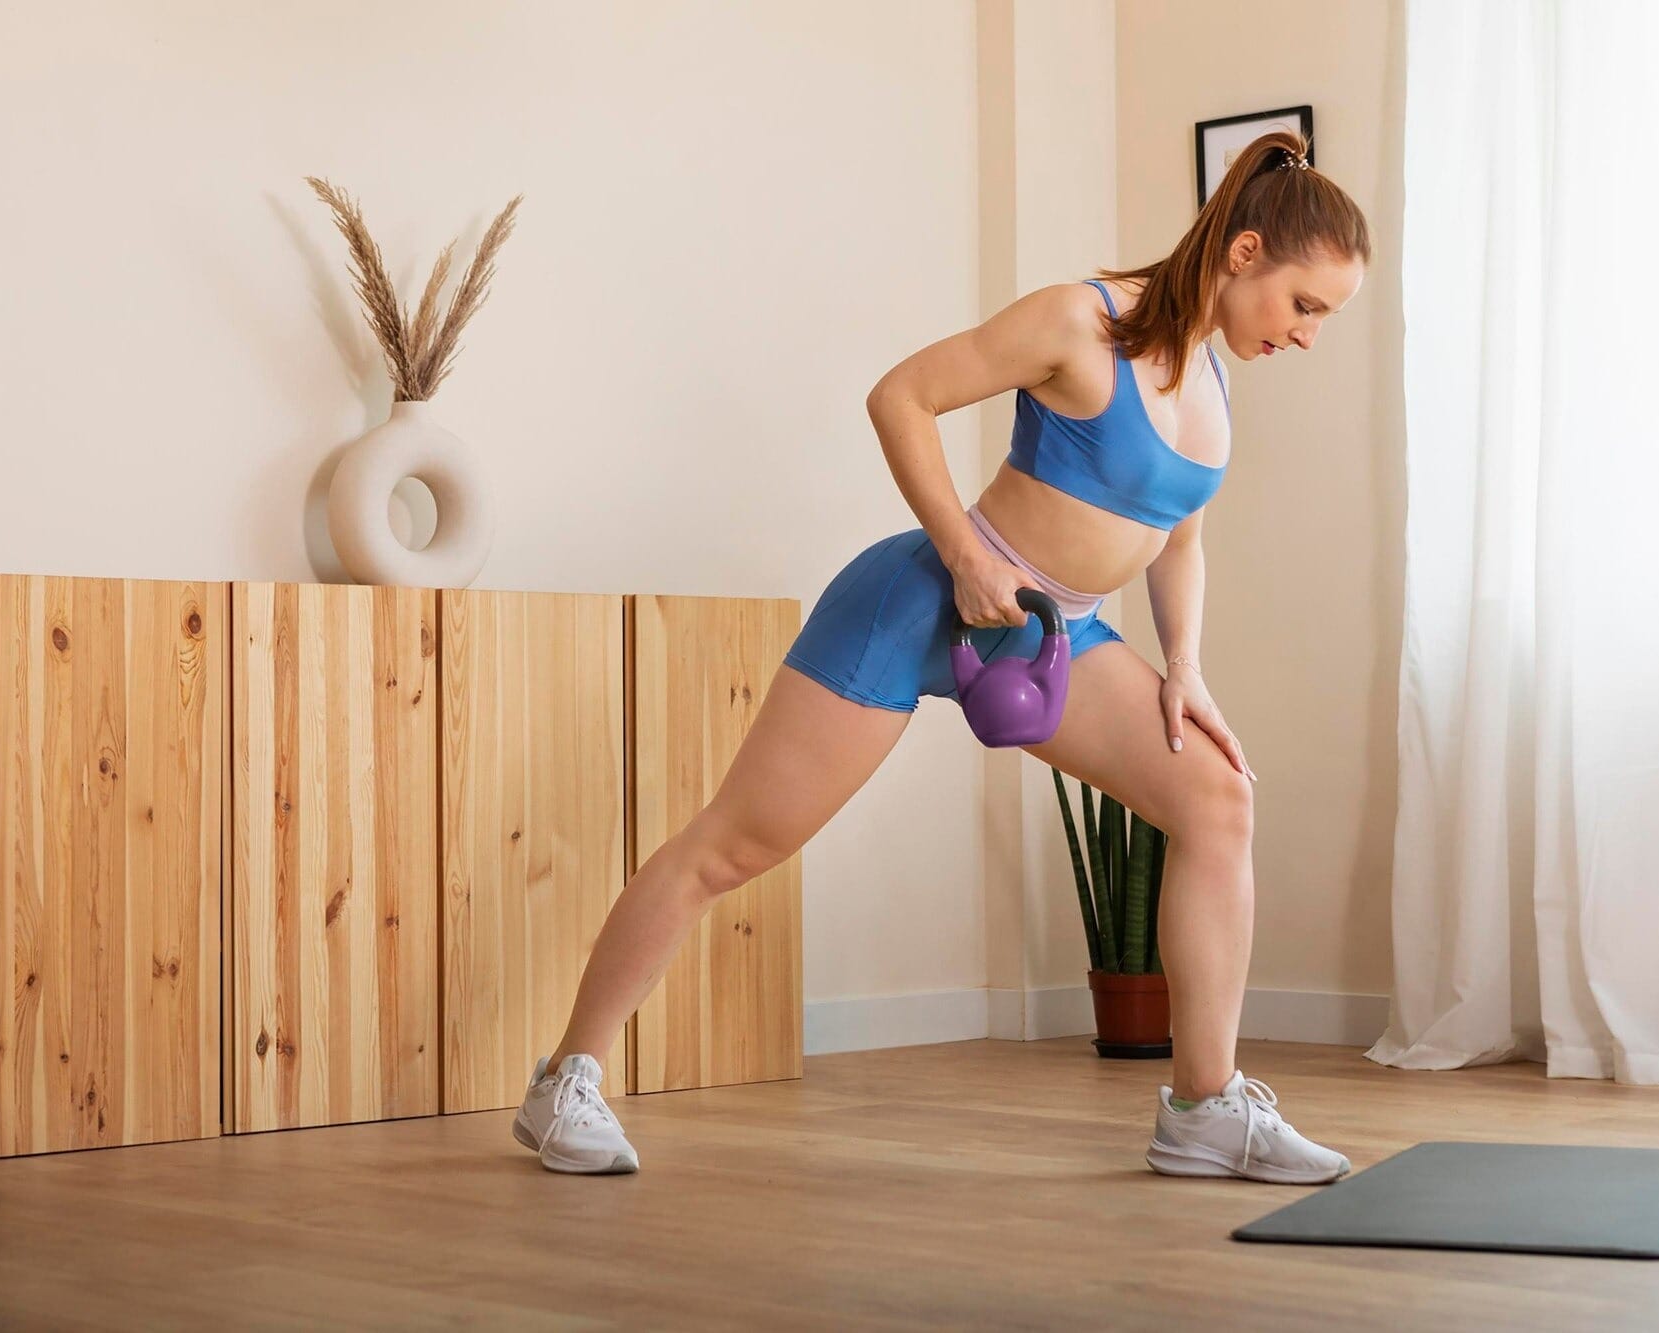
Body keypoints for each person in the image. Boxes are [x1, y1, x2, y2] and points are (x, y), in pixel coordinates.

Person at [511, 129, 1371, 1184]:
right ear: (1243, 255)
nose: (1307, 335)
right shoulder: (1077, 318)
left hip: (1054, 638)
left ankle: (1202, 1108)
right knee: (734, 846)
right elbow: (900, 395)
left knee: (1216, 798)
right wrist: (964, 560)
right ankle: (567, 1078)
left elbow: (1177, 535)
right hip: (923, 599)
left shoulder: (1208, 386)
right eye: (1305, 306)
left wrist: (1182, 666)